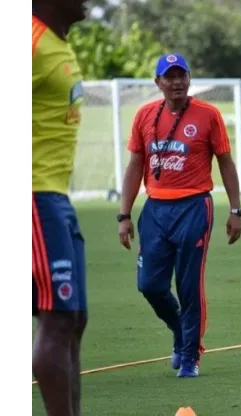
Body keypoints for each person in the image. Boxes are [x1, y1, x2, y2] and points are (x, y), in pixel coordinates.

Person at [117, 53, 241, 378]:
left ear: (189, 79)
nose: (176, 82)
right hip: (155, 209)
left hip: (194, 207)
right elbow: (135, 166)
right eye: (169, 76)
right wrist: (124, 214)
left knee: (189, 286)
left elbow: (226, 163)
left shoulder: (208, 115)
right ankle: (180, 332)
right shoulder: (145, 115)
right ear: (157, 82)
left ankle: (190, 356)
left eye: (181, 75)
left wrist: (235, 210)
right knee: (149, 285)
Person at [32, 1, 89, 415]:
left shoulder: (57, 42)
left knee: (74, 319)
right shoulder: (27, 40)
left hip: (57, 201)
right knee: (56, 320)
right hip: (32, 197)